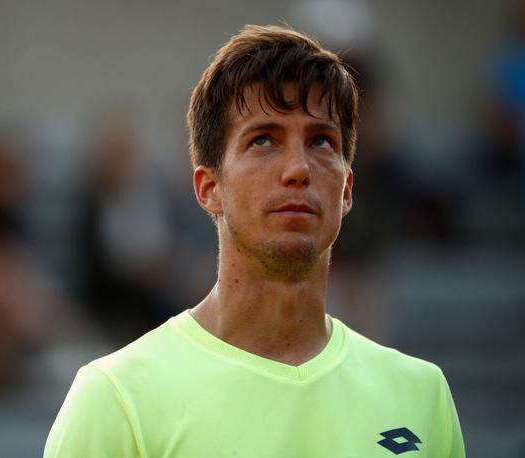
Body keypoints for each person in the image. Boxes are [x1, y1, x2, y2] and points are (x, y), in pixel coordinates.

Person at [44, 25, 465, 457]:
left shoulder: (421, 396)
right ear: (209, 188)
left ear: (347, 190)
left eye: (321, 141)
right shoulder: (116, 400)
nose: (298, 168)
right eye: (263, 139)